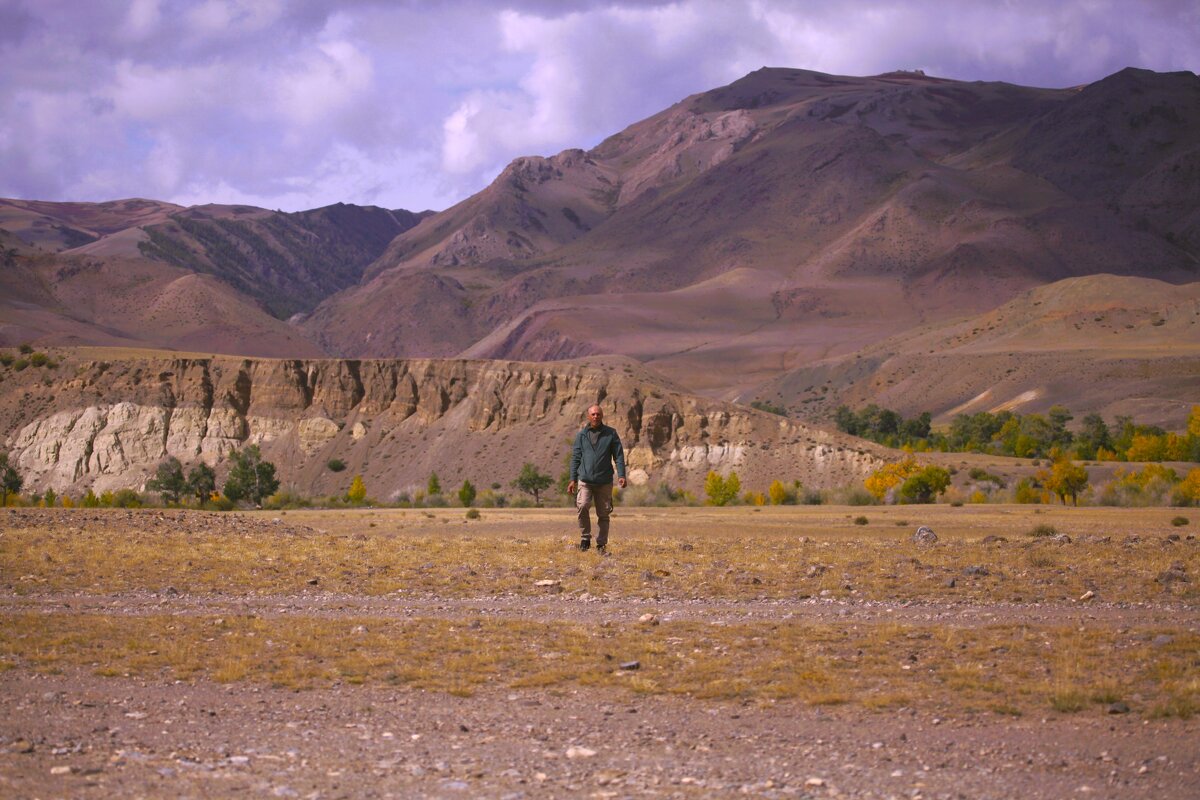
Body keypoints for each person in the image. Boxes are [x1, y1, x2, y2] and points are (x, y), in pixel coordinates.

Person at [567, 405, 627, 554]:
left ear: (602, 416)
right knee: (582, 505)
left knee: (603, 514)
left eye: (598, 414)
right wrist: (572, 479)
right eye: (593, 414)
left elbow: (618, 456)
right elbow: (575, 457)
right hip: (585, 480)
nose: (595, 416)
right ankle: (585, 538)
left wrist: (621, 475)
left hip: (604, 481)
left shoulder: (611, 434)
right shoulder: (582, 435)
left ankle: (601, 544)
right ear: (588, 416)